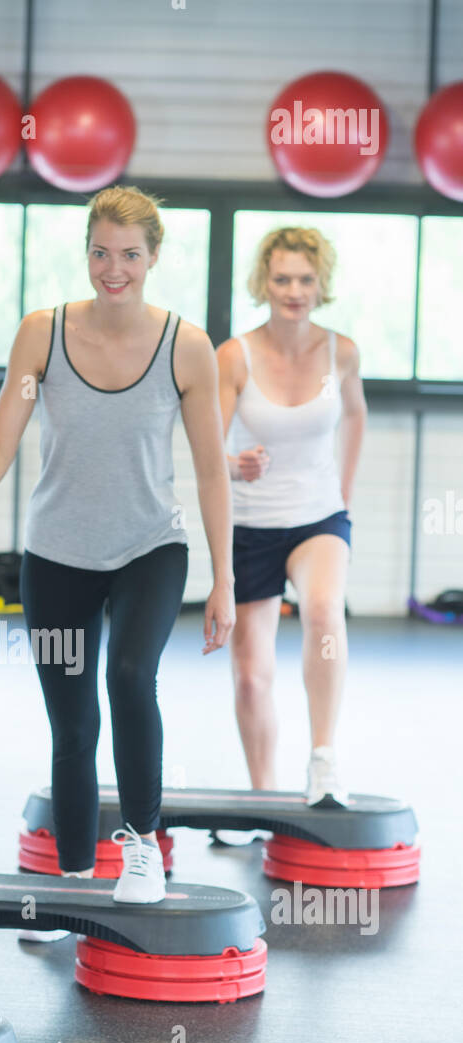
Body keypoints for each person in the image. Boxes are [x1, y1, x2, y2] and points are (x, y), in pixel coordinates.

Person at [0, 186, 234, 910]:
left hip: (150, 547)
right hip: (58, 554)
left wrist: (224, 581)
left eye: (130, 255)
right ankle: (73, 877)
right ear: (86, 252)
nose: (114, 269)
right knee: (72, 721)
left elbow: (210, 469)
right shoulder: (40, 333)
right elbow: (0, 439)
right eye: (101, 253)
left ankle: (142, 845)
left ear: (155, 258)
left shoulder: (187, 346)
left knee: (132, 675)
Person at [217, 226, 366, 808]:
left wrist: (344, 494)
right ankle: (262, 799)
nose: (294, 290)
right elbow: (210, 445)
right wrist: (231, 466)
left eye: (305, 279)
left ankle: (323, 760)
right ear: (264, 282)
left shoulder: (342, 352)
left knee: (325, 612)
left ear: (321, 282)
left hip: (318, 518)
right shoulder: (235, 355)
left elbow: (354, 418)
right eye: (282, 278)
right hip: (250, 523)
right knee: (252, 675)